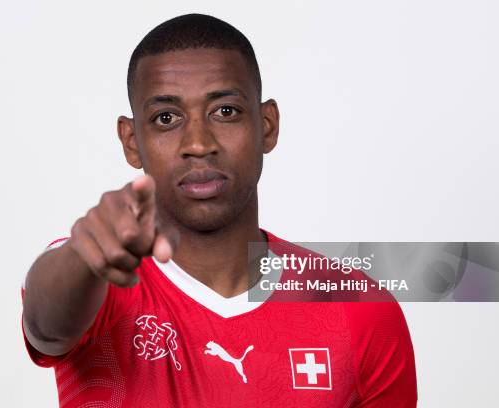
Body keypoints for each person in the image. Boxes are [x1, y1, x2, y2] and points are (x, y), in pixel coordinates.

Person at [21, 13, 417, 407]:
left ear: (267, 126)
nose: (198, 142)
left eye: (225, 111)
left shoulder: (360, 311)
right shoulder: (93, 276)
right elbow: (46, 325)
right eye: (166, 118)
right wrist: (83, 253)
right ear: (131, 141)